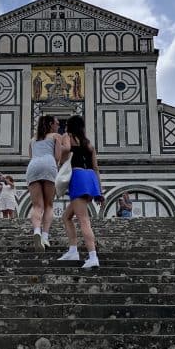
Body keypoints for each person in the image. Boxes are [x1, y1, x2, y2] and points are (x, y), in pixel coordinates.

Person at [58, 115, 103, 269]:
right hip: (90, 178)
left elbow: (64, 154)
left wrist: (58, 147)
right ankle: (72, 250)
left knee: (83, 220)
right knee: (66, 216)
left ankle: (92, 256)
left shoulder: (67, 136)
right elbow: (96, 168)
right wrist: (99, 191)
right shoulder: (88, 143)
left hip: (78, 177)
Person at [25, 114, 63, 250]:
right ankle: (45, 236)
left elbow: (31, 156)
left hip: (33, 166)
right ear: (51, 125)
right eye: (57, 123)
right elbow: (58, 157)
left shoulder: (32, 140)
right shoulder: (56, 137)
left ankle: (36, 231)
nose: (58, 126)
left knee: (37, 206)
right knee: (48, 205)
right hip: (49, 164)